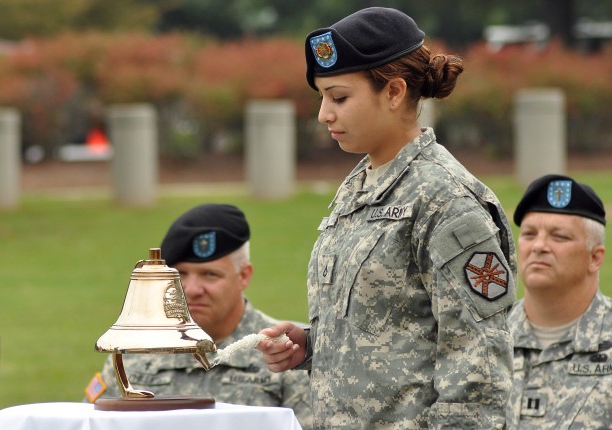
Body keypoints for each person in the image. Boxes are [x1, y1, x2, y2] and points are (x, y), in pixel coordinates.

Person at [256, 7, 517, 429]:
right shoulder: (361, 183)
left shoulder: (445, 199)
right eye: (322, 98)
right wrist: (311, 345)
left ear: (394, 92)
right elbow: (393, 326)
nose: (324, 114)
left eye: (339, 97)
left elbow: (479, 370)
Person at [84, 203, 312, 428]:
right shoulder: (133, 351)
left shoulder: (288, 353)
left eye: (210, 274)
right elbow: (91, 422)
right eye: (180, 274)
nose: (192, 289)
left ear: (243, 276)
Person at [506, 174, 610, 429]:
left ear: (595, 258)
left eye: (559, 237)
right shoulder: (488, 339)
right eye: (529, 234)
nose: (539, 246)